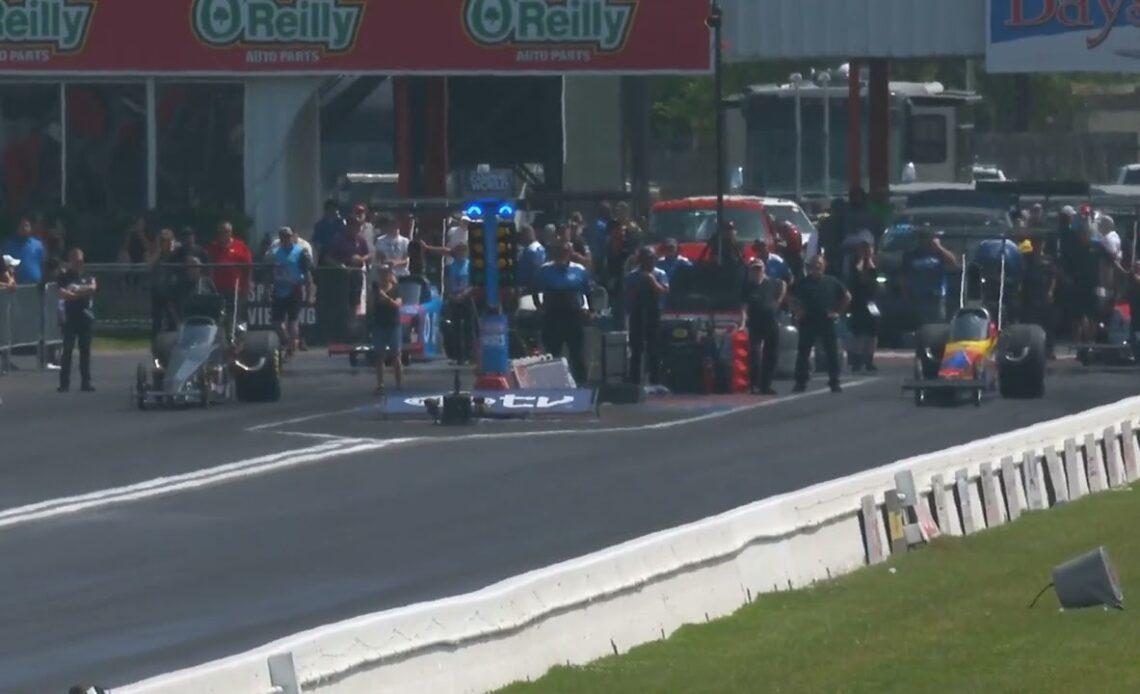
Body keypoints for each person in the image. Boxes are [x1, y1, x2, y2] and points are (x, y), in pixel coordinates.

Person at [534, 241, 591, 384]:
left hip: (573, 314)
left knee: (577, 352)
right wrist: (539, 306)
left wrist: (589, 309)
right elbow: (534, 288)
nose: (562, 254)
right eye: (559, 251)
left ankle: (581, 383)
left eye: (565, 251)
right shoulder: (544, 270)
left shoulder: (579, 270)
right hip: (553, 315)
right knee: (552, 352)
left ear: (570, 253)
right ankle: (553, 383)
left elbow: (587, 291)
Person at [791, 255, 850, 394]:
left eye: (819, 263)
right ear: (810, 266)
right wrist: (797, 311)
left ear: (824, 265)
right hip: (808, 321)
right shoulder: (803, 283)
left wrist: (838, 312)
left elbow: (847, 297)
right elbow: (791, 297)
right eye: (814, 264)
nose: (816, 266)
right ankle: (800, 382)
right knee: (803, 353)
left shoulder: (832, 281)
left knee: (832, 353)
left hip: (827, 321)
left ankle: (834, 382)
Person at [740, 258, 786, 395]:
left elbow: (783, 284)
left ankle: (766, 385)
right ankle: (754, 384)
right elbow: (743, 307)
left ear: (763, 270)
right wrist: (743, 323)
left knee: (771, 355)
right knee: (755, 354)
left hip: (771, 322)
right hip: (755, 323)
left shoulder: (771, 283)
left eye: (759, 269)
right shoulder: (747, 287)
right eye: (754, 269)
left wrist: (778, 301)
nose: (757, 272)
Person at [625, 246, 669, 385]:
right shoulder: (632, 275)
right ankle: (634, 380)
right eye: (646, 258)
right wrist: (638, 284)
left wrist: (651, 280)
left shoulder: (660, 273)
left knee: (654, 347)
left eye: (651, 258)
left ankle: (655, 380)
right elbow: (629, 295)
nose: (649, 261)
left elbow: (663, 291)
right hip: (637, 312)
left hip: (653, 312)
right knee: (636, 347)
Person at [57, 248, 97, 393]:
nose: (79, 263)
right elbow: (63, 293)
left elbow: (93, 288)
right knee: (67, 351)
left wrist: (77, 291)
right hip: (70, 318)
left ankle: (86, 382)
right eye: (76, 260)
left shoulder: (88, 275)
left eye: (81, 260)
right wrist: (81, 292)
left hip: (85, 316)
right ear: (70, 261)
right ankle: (64, 383)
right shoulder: (64, 276)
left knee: (85, 351)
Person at [901, 229, 959, 325]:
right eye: (932, 238)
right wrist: (906, 295)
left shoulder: (940, 254)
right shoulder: (910, 255)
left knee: (936, 325)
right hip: (917, 298)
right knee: (919, 326)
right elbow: (904, 277)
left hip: (937, 297)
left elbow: (953, 264)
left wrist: (939, 248)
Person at [269, 227, 311, 358]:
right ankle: (287, 341)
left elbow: (307, 273)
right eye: (283, 237)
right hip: (279, 289)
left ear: (292, 237)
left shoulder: (300, 252)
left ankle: (291, 349)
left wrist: (310, 292)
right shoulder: (274, 253)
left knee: (293, 321)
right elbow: (268, 272)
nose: (286, 239)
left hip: (294, 288)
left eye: (288, 236)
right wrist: (267, 288)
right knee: (276, 322)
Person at [206, 221, 253, 329]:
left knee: (236, 315)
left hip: (236, 288)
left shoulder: (240, 246)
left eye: (226, 232)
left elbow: (248, 267)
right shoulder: (213, 247)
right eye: (221, 232)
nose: (223, 234)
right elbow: (208, 266)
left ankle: (236, 340)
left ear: (230, 232)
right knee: (220, 315)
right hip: (218, 288)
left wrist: (248, 284)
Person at [846, 235, 880, 372]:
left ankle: (869, 360)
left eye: (868, 248)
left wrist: (870, 259)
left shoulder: (875, 262)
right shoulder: (854, 262)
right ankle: (857, 360)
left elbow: (875, 273)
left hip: (872, 302)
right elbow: (856, 274)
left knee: (872, 332)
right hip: (858, 302)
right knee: (859, 333)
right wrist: (861, 259)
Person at [369, 263, 404, 394]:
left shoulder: (396, 289)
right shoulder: (376, 290)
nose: (383, 275)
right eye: (381, 273)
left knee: (396, 355)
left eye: (386, 273)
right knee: (379, 356)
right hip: (379, 325)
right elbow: (371, 307)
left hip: (393, 324)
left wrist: (386, 297)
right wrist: (374, 296)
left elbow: (397, 304)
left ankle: (399, 383)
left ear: (390, 274)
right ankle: (380, 384)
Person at [1021, 239, 1057, 359]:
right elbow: (1024, 277)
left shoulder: (1048, 259)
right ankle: (1031, 350)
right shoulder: (1028, 259)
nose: (1038, 246)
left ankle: (1049, 350)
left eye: (1040, 243)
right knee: (1031, 324)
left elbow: (1053, 277)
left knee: (1048, 324)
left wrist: (1050, 291)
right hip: (1032, 294)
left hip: (1044, 293)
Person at [443, 242, 476, 364]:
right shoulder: (451, 267)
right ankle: (459, 356)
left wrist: (464, 294)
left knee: (469, 327)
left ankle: (470, 354)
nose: (461, 254)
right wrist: (452, 296)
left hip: (467, 297)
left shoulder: (470, 266)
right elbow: (447, 284)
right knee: (456, 328)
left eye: (464, 252)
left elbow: (473, 284)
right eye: (459, 252)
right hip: (454, 298)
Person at [146, 228, 182, 337]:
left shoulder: (177, 250)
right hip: (158, 290)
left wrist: (172, 248)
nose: (164, 242)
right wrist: (158, 250)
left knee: (173, 318)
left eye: (167, 239)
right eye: (162, 239)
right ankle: (156, 342)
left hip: (173, 291)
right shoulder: (155, 251)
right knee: (157, 319)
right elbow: (149, 265)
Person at [2, 218, 45, 285]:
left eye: (26, 226)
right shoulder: (9, 245)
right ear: (17, 228)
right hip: (18, 286)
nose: (24, 228)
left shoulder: (38, 244)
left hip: (36, 285)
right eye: (22, 226)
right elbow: (3, 266)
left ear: (31, 228)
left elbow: (43, 263)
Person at [312, 199, 347, 267]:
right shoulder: (320, 225)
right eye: (331, 209)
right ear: (326, 210)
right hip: (325, 260)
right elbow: (317, 244)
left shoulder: (342, 223)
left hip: (341, 259)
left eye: (335, 209)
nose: (333, 212)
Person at [374, 213, 410, 278]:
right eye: (391, 224)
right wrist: (386, 262)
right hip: (386, 275)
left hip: (402, 275)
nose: (393, 227)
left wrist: (396, 263)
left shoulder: (405, 241)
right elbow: (378, 259)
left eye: (395, 224)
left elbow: (407, 260)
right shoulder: (380, 240)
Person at [517, 224, 547, 292]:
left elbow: (523, 273)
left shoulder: (529, 251)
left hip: (530, 289)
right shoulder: (542, 249)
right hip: (542, 288)